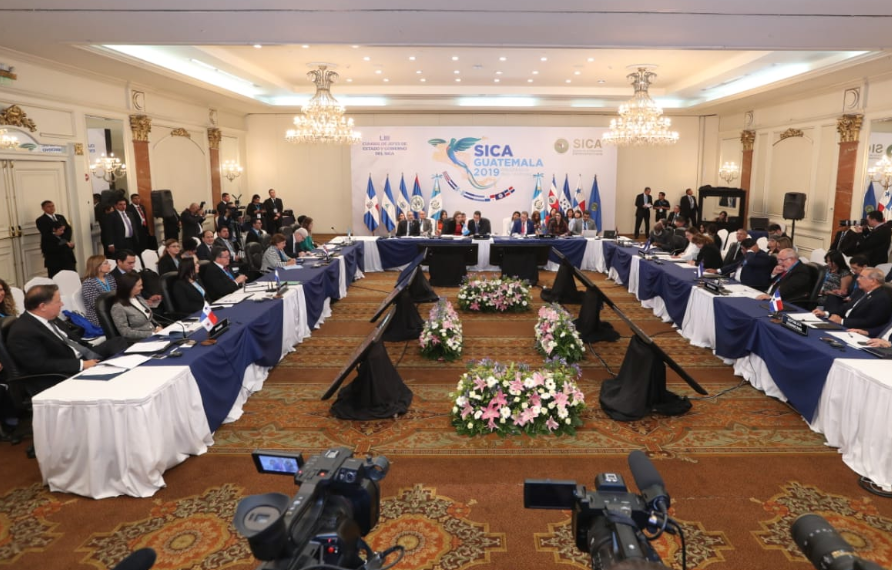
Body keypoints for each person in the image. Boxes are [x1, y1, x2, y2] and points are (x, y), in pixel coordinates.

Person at [7, 284, 128, 381]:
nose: (62, 304)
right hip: (64, 371)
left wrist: (89, 351)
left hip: (82, 354)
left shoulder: (51, 317)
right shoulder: (23, 331)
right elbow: (40, 365)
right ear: (43, 306)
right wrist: (81, 365)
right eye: (58, 301)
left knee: (118, 342)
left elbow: (74, 340)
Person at [813, 267, 892, 334]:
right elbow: (845, 308)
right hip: (843, 325)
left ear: (873, 281)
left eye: (861, 277)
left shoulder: (881, 298)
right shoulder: (860, 291)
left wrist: (842, 321)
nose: (857, 279)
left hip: (855, 331)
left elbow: (870, 322)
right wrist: (826, 313)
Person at [110, 272, 162, 342]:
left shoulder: (139, 298)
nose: (142, 287)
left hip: (155, 335)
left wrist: (158, 326)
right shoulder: (118, 307)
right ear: (129, 287)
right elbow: (125, 332)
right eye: (139, 286)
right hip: (139, 341)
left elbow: (149, 318)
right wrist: (151, 334)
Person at [709, 238, 776, 290]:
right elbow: (735, 265)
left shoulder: (763, 257)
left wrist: (750, 251)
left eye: (743, 249)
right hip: (735, 282)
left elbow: (750, 261)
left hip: (749, 287)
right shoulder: (749, 255)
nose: (742, 251)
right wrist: (717, 270)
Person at [36, 200, 75, 277]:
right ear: (43, 208)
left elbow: (68, 229)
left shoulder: (60, 217)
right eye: (48, 206)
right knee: (55, 274)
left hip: (65, 248)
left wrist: (65, 241)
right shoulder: (41, 220)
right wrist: (56, 234)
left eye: (52, 206)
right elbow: (46, 234)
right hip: (53, 250)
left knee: (70, 272)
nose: (51, 208)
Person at [80, 254, 117, 327]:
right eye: (106, 263)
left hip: (113, 310)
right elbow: (97, 304)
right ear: (97, 267)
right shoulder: (88, 283)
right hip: (98, 316)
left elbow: (116, 294)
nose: (109, 265)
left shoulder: (109, 278)